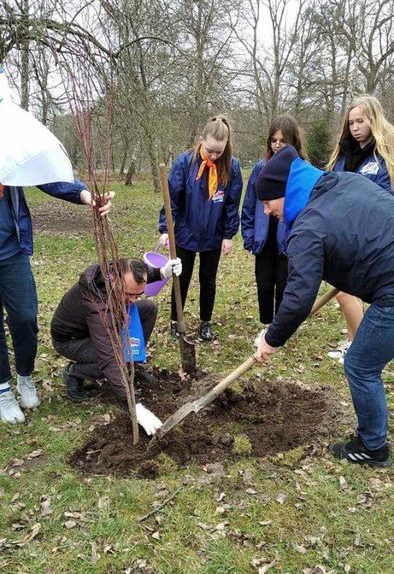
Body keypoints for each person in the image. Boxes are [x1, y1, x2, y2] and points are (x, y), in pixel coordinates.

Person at [254, 145, 394, 468]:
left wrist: (271, 339)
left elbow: (298, 298)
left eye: (267, 202)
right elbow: (358, 233)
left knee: (360, 365)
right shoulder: (343, 181)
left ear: (282, 193)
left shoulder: (307, 226)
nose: (266, 211)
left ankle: (373, 448)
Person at [0, 178, 114, 424]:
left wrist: (84, 195)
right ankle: (3, 390)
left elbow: (45, 173)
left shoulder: (7, 149)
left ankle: (25, 376)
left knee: (25, 317)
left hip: (11, 251)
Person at [51, 256, 182, 436]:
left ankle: (132, 364)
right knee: (115, 359)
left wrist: (161, 273)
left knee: (148, 309)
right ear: (114, 280)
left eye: (139, 294)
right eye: (130, 294)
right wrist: (134, 405)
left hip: (99, 328)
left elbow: (138, 275)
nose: (135, 300)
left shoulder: (118, 270)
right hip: (72, 340)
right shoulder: (97, 304)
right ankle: (73, 372)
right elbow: (109, 356)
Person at [158, 115, 243, 341]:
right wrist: (166, 229)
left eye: (219, 151)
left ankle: (205, 322)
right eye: (210, 150)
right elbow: (171, 200)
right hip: (186, 232)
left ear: (226, 145)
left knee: (208, 280)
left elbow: (232, 204)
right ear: (201, 140)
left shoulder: (231, 166)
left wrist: (228, 235)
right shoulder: (185, 163)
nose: (215, 155)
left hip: (213, 234)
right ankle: (176, 321)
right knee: (181, 277)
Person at [326, 95, 394, 364]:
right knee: (345, 295)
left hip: (373, 239)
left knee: (347, 293)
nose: (355, 127)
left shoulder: (384, 156)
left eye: (360, 121)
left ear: (373, 120)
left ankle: (359, 347)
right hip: (346, 235)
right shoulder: (343, 154)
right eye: (351, 122)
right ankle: (357, 343)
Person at [241, 115, 308, 346]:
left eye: (283, 141)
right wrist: (249, 236)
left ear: (293, 142)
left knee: (284, 283)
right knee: (264, 283)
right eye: (273, 140)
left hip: (288, 238)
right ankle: (266, 324)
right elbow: (249, 205)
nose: (277, 145)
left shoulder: (300, 171)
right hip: (263, 238)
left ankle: (281, 328)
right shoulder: (260, 168)